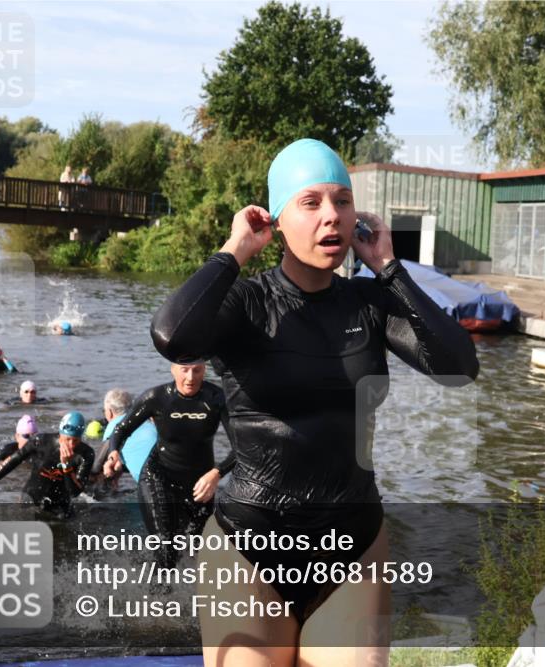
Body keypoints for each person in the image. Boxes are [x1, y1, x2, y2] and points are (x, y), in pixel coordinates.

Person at [150, 138, 479, 665]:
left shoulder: (369, 303)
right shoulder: (246, 302)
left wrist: (390, 268)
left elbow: (460, 366)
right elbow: (172, 336)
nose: (332, 216)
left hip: (353, 551)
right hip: (249, 550)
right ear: (276, 219)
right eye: (311, 203)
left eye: (343, 201)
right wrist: (235, 251)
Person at [102, 363, 233, 568]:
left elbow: (241, 448)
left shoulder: (216, 398)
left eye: (197, 370)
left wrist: (217, 474)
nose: (190, 377)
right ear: (173, 369)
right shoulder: (156, 397)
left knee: (198, 553)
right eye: (184, 370)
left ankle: (187, 596)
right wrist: (113, 453)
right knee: (166, 550)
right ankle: (156, 597)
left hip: (200, 484)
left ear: (204, 370)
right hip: (158, 476)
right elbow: (121, 429)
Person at [0, 412, 96, 517]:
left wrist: (66, 466)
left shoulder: (86, 454)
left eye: (76, 441)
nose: (71, 445)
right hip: (31, 497)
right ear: (60, 434)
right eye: (67, 439)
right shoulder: (41, 441)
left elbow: (74, 493)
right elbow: (15, 460)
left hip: (60, 504)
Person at [95, 389, 158, 484]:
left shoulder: (114, 426)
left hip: (152, 483)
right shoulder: (148, 422)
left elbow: (96, 466)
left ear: (110, 412)